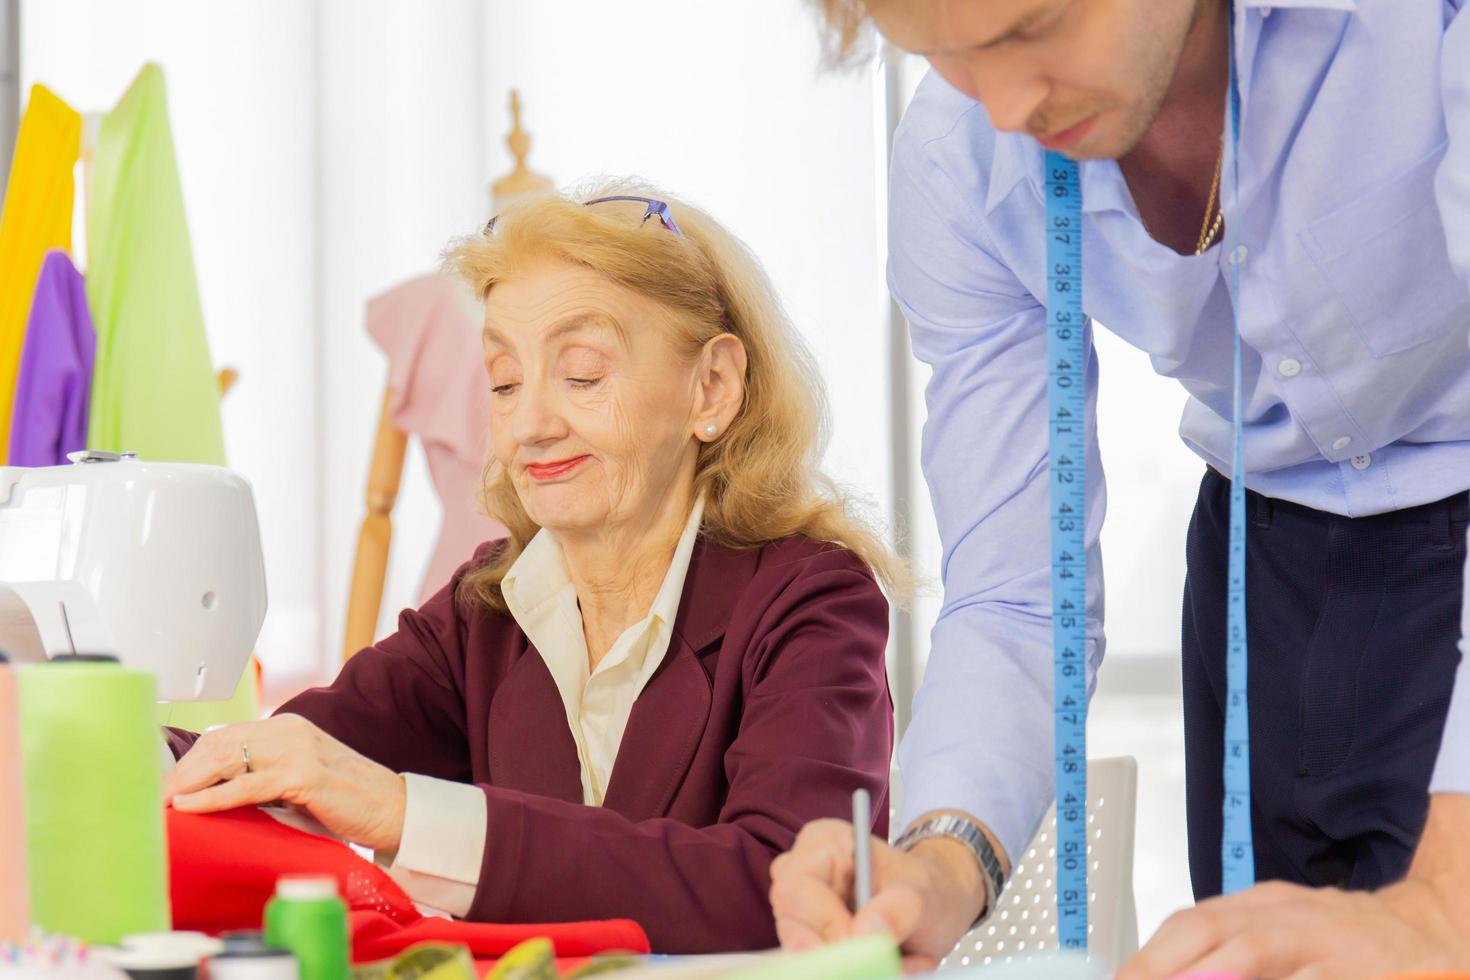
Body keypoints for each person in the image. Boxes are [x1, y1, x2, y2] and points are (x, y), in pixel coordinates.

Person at [769, 1, 1470, 976]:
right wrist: (936, 862)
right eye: (943, 54)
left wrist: (1447, 900)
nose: (1008, 106)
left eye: (1034, 27)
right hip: (1261, 565)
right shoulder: (956, 156)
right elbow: (1018, 592)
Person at [163, 182, 901, 953]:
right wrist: (131, 757)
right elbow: (292, 753)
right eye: (506, 383)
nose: (530, 426)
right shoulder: (487, 610)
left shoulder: (814, 602)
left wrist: (406, 814)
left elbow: (780, 889)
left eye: (581, 374)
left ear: (711, 388)